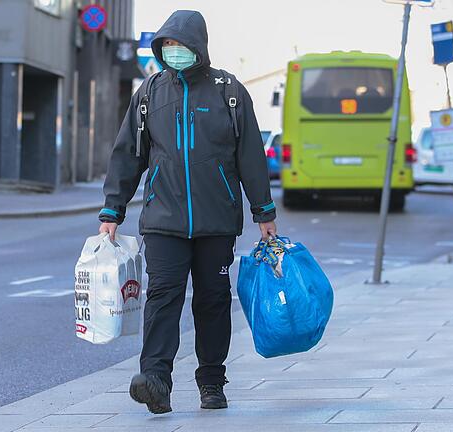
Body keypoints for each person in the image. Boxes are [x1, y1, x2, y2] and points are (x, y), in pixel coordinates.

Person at [97, 10, 277, 414]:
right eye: (168, 46)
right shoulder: (149, 94)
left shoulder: (228, 91)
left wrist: (263, 211)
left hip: (216, 220)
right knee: (162, 296)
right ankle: (156, 380)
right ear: (161, 49)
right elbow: (128, 154)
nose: (174, 51)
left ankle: (212, 381)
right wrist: (112, 209)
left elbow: (250, 155)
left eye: (181, 45)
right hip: (164, 219)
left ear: (199, 46)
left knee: (212, 300)